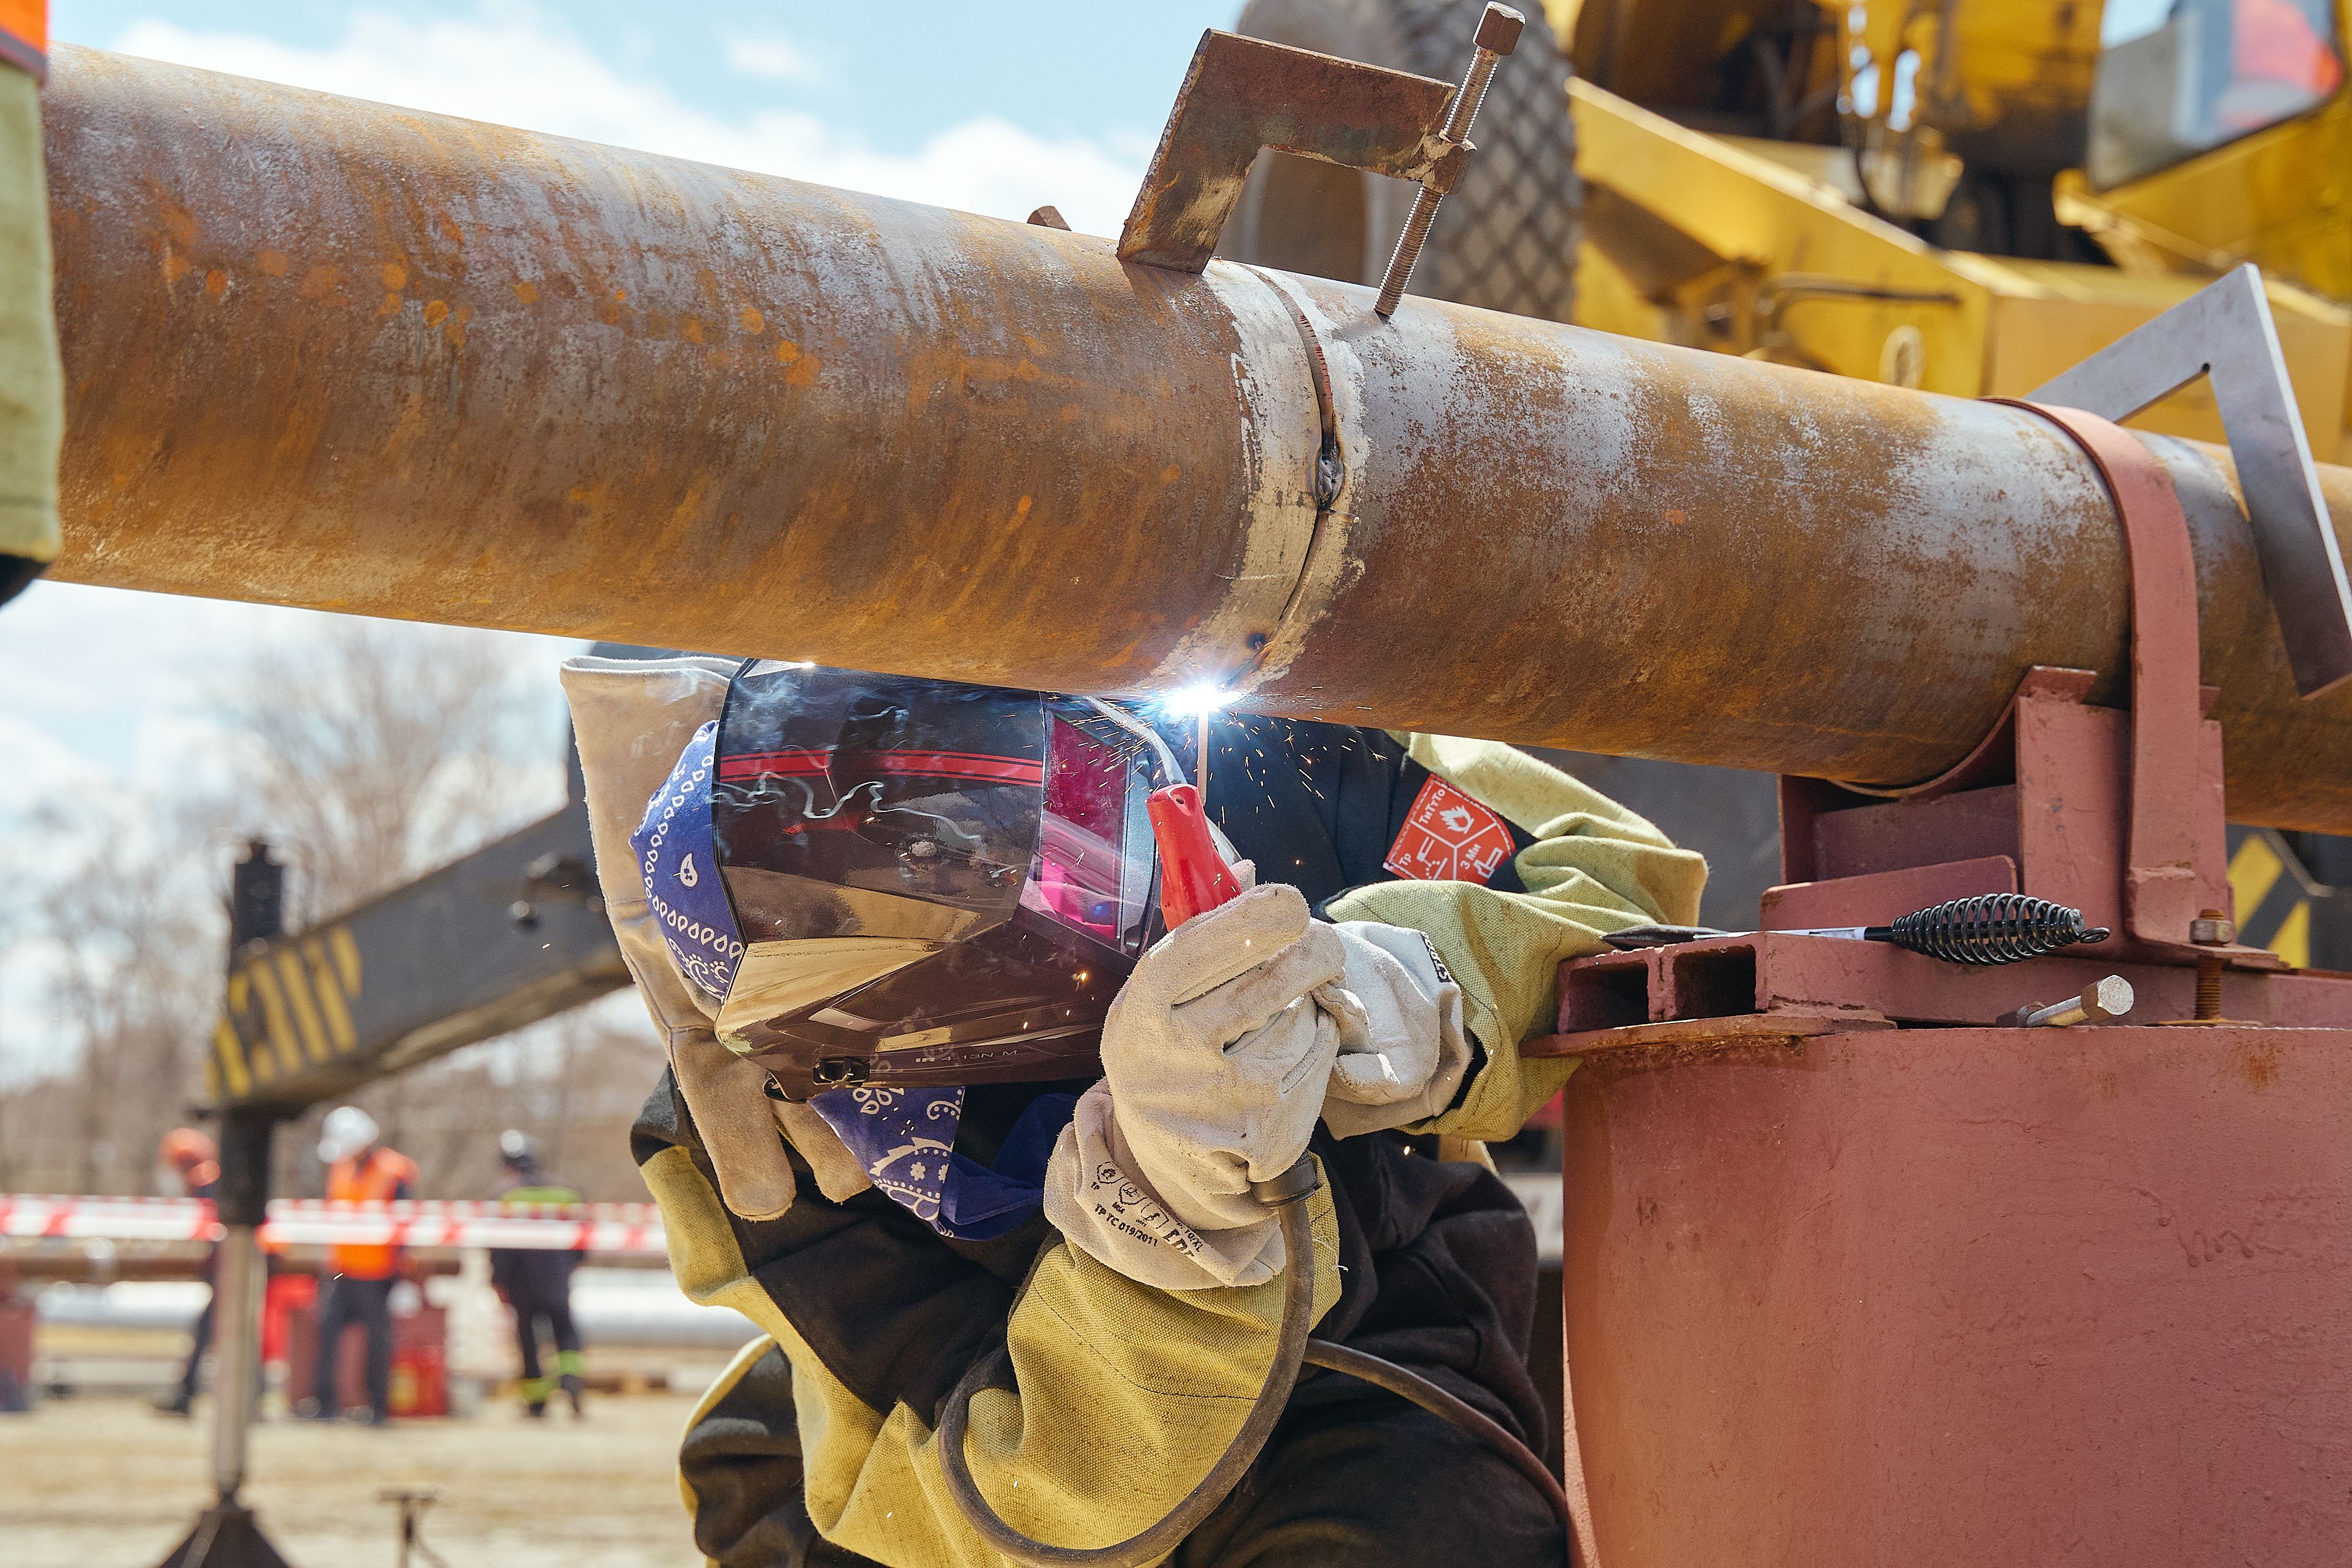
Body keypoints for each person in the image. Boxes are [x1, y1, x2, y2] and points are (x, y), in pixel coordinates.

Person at [562, 656, 1704, 1566]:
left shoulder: (1258, 744)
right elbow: (1038, 1498)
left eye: (1088, 791)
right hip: (957, 1491)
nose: (1140, 859)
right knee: (768, 1508)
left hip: (1360, 1367)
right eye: (1060, 872)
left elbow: (1623, 883)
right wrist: (1162, 1215)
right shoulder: (784, 1148)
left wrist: (1388, 996)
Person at [299, 1105, 417, 1426]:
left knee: (378, 1341)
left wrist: (402, 1276)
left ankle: (378, 1408)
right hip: (341, 1269)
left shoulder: (394, 1171)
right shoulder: (341, 1167)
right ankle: (325, 1405)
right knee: (327, 1332)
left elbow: (405, 1226)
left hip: (378, 1271)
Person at [489, 1129, 587, 1418]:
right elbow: (585, 1237)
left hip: (521, 1282)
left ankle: (537, 1404)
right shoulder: (566, 1192)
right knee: (565, 1331)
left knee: (529, 1340)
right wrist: (571, 1265)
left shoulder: (503, 1195)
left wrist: (499, 1280)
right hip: (558, 1276)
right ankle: (571, 1382)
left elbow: (497, 1246)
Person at [153, 1128, 221, 1416]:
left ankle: (187, 1396)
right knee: (221, 1332)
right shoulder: (213, 1181)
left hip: (230, 1269)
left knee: (217, 1332)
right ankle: (187, 1395)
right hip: (225, 1268)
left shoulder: (207, 1183)